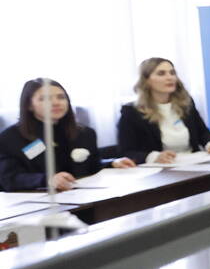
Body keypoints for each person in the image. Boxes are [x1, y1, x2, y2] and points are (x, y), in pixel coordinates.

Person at [0, 79, 136, 192]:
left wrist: (112, 163)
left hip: (83, 197)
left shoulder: (84, 133)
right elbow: (10, 178)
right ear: (29, 105)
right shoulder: (10, 138)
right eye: (45, 98)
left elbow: (91, 165)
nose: (56, 102)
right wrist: (48, 179)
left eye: (61, 97)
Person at [117, 57, 210, 164]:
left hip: (194, 163)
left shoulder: (186, 103)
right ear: (146, 80)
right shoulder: (131, 112)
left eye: (172, 73)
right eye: (161, 73)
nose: (170, 77)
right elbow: (126, 152)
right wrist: (154, 157)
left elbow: (203, 132)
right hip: (160, 171)